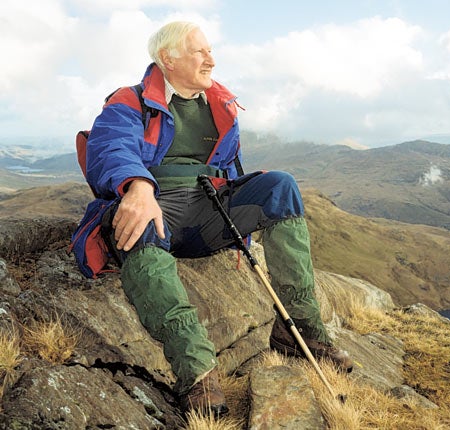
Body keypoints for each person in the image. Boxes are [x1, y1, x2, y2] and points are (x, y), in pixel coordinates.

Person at [72, 21, 353, 418]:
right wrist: (137, 187)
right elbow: (111, 147)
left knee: (281, 187)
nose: (211, 60)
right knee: (137, 226)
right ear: (167, 59)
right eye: (200, 52)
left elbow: (229, 169)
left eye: (211, 51)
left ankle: (301, 331)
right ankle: (197, 372)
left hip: (209, 210)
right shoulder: (130, 100)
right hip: (154, 204)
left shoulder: (220, 106)